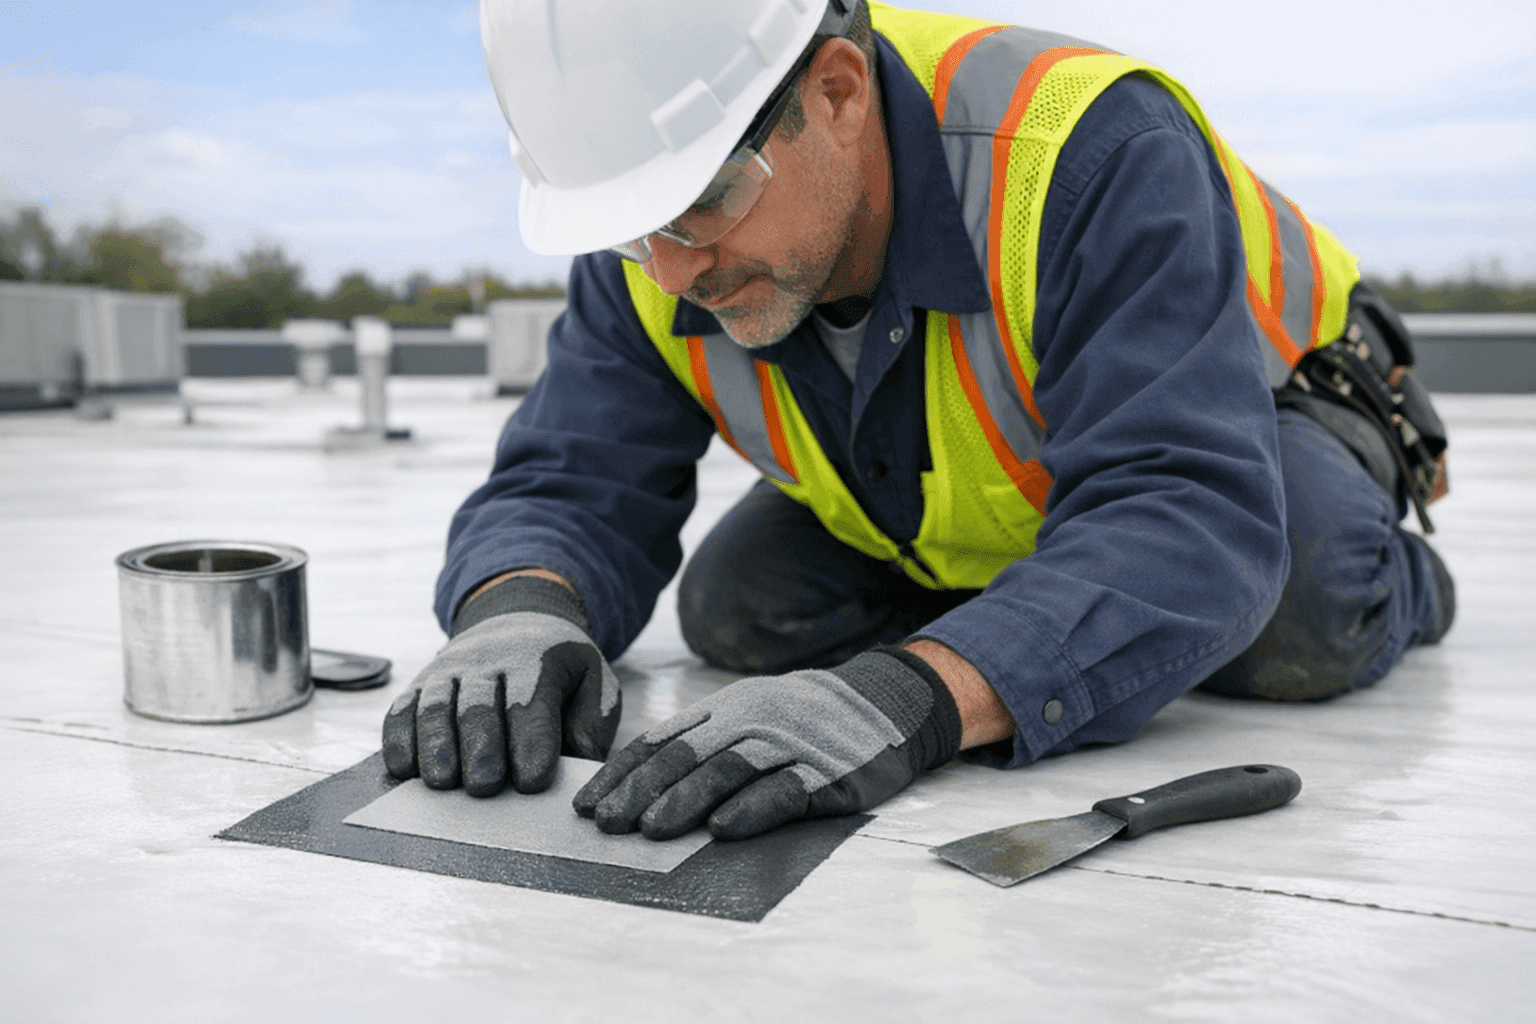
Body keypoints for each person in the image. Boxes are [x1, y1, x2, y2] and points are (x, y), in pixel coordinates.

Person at [382, 0, 1454, 842]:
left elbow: (1189, 506)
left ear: (839, 93)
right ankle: (1034, 600)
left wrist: (914, 695)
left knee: (1295, 601)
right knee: (742, 608)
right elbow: (572, 476)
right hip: (1013, 475)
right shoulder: (653, 246)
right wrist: (516, 607)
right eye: (631, 228)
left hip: (1268, 405)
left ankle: (1396, 577)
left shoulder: (1089, 150)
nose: (672, 268)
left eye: (705, 200)